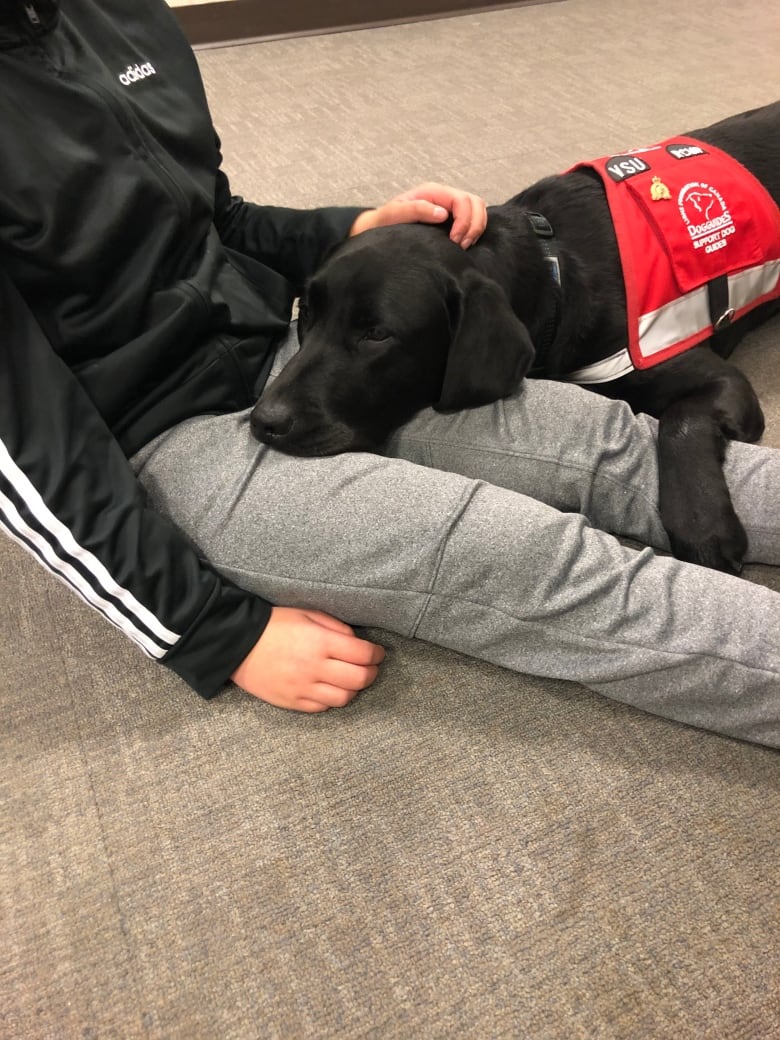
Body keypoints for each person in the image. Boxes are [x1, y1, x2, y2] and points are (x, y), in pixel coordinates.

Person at [1, 0, 778, 746]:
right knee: (526, 555)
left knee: (609, 442)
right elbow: (21, 439)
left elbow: (215, 219)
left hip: (282, 338)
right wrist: (208, 631)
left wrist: (354, 231)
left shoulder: (117, 12)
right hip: (160, 433)